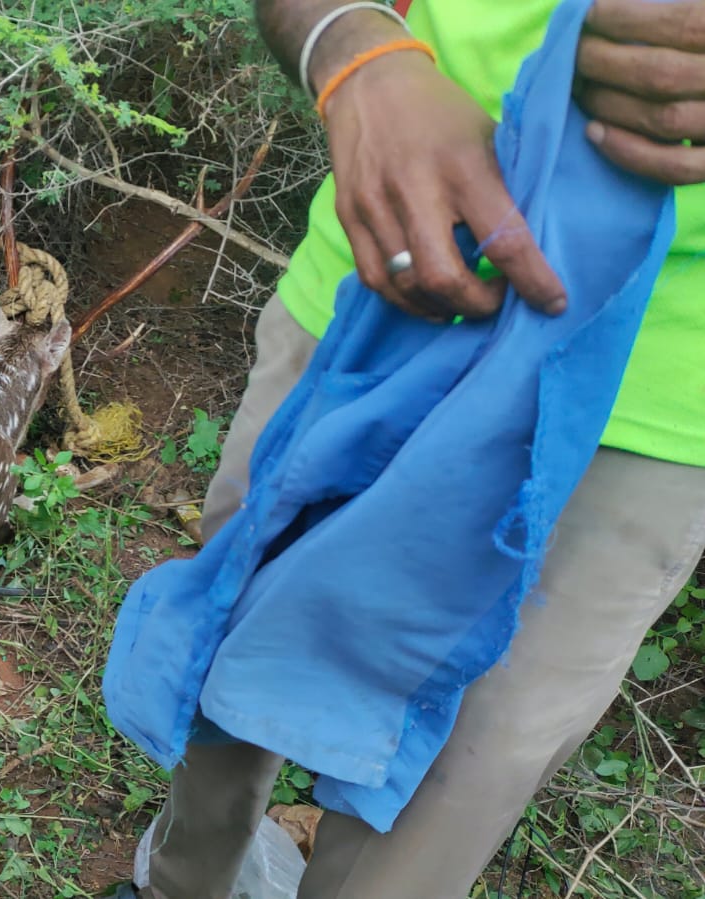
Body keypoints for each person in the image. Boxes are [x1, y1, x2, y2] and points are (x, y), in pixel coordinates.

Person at [116, 0, 705, 896]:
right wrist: (349, 49)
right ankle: (180, 881)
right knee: (237, 629)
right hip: (382, 260)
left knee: (464, 768)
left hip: (662, 391)